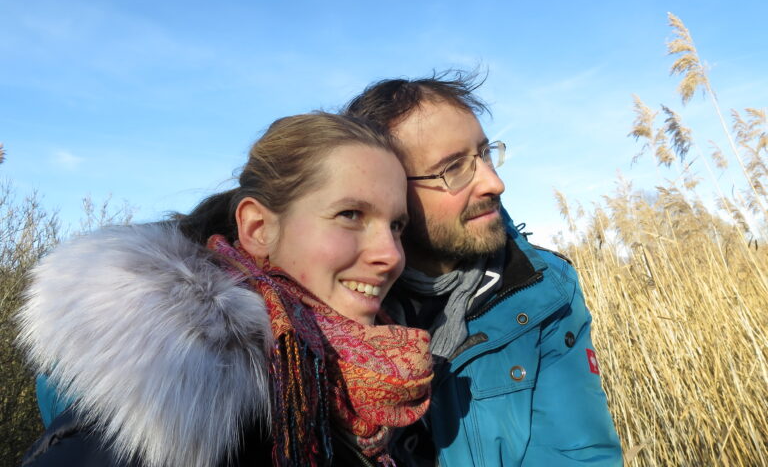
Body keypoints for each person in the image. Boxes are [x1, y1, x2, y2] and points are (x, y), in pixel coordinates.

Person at [17, 112, 433, 467]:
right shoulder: (166, 413)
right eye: (350, 214)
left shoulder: (377, 374)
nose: (391, 255)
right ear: (258, 229)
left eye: (396, 225)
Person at [343, 72, 623, 466]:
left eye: (485, 153)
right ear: (387, 190)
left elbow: (575, 453)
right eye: (453, 169)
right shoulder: (326, 306)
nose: (495, 182)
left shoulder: (543, 290)